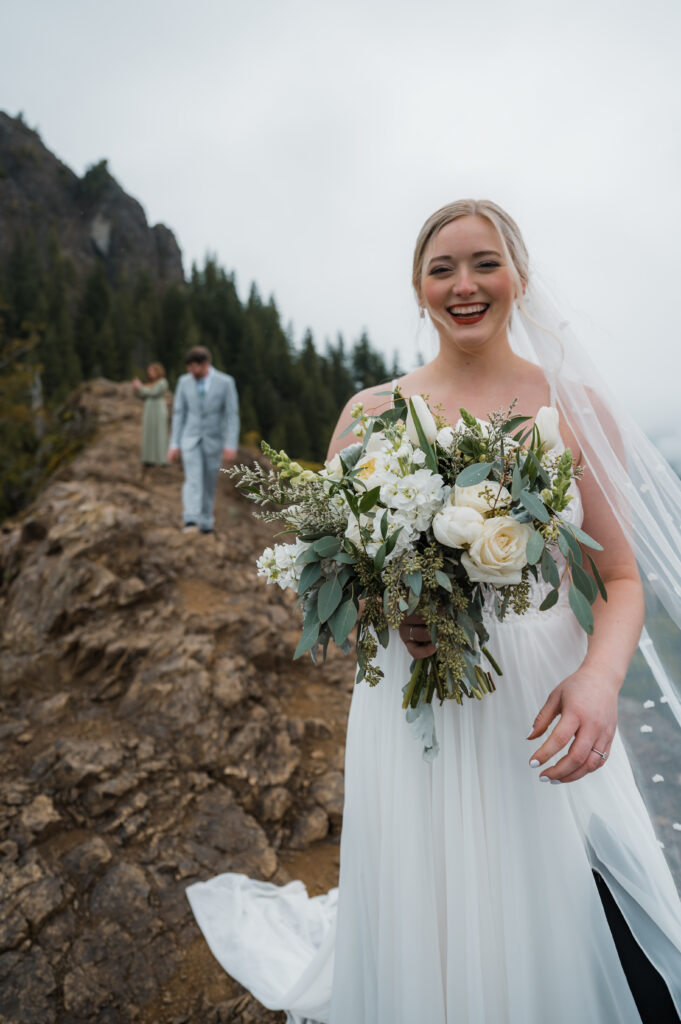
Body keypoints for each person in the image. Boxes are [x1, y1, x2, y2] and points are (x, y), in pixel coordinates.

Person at [186, 201, 681, 1022]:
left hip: (538, 696)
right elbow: (340, 584)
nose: (464, 284)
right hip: (408, 712)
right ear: (417, 287)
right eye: (441, 268)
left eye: (483, 262)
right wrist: (389, 616)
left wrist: (597, 680)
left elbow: (620, 581)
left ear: (518, 275)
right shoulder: (368, 415)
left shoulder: (568, 405)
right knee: (433, 901)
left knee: (559, 904)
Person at [168, 345, 239, 535]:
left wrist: (230, 444)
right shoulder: (184, 382)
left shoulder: (225, 382)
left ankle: (206, 521)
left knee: (209, 481)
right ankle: (190, 519)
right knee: (193, 478)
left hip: (214, 441)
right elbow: (179, 413)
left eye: (194, 368)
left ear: (205, 364)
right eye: (188, 368)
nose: (191, 372)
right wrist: (174, 444)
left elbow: (231, 415)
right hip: (189, 439)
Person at [132, 362, 169, 471]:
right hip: (149, 410)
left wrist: (140, 387)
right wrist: (136, 388)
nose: (150, 373)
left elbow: (153, 393)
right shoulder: (149, 384)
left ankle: (162, 459)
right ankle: (149, 459)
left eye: (152, 371)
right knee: (149, 433)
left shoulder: (162, 382)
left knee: (160, 434)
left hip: (158, 410)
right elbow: (143, 394)